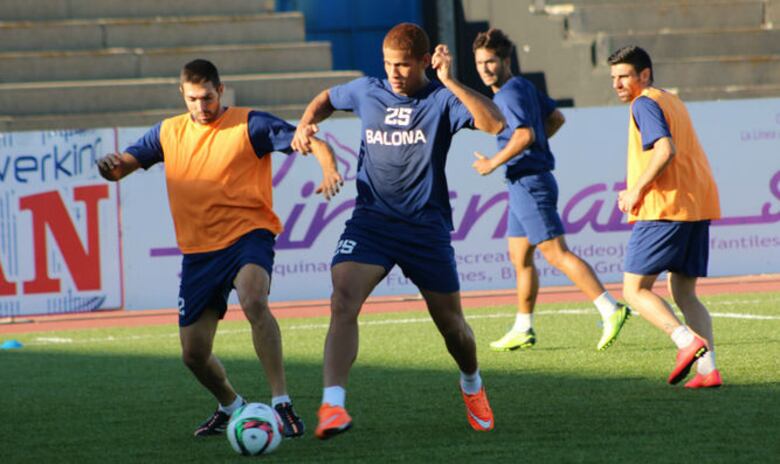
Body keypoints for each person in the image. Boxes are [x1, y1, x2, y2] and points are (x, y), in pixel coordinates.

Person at [96, 59, 344, 437]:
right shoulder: (167, 133)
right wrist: (109, 166)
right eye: (193, 99)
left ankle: (282, 403)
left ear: (221, 91)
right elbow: (122, 167)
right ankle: (231, 405)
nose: (201, 106)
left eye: (208, 97)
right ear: (182, 94)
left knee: (253, 298)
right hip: (199, 253)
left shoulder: (250, 124)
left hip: (249, 235)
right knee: (193, 354)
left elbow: (312, 140)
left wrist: (328, 167)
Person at [291, 23, 506, 439]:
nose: (394, 73)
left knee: (453, 328)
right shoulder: (366, 90)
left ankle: (472, 384)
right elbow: (324, 100)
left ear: (425, 62)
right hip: (372, 223)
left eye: (403, 65)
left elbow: (495, 124)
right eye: (389, 64)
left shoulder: (442, 98)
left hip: (425, 228)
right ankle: (332, 406)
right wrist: (305, 124)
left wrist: (450, 80)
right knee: (342, 299)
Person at [471, 29, 631, 352]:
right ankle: (523, 327)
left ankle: (610, 308)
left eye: (491, 61)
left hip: (530, 182)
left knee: (556, 253)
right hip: (523, 182)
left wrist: (493, 162)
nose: (485, 69)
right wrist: (536, 144)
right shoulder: (523, 87)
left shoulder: (507, 95)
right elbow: (555, 118)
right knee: (520, 256)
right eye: (479, 63)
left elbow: (524, 135)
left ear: (505, 61)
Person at [608, 46, 722, 387]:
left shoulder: (644, 103)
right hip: (696, 204)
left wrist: (635, 191)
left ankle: (686, 342)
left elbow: (665, 150)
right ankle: (708, 370)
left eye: (624, 76)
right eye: (613, 78)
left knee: (633, 289)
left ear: (644, 75)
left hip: (666, 207)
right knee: (684, 291)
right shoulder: (671, 99)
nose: (617, 84)